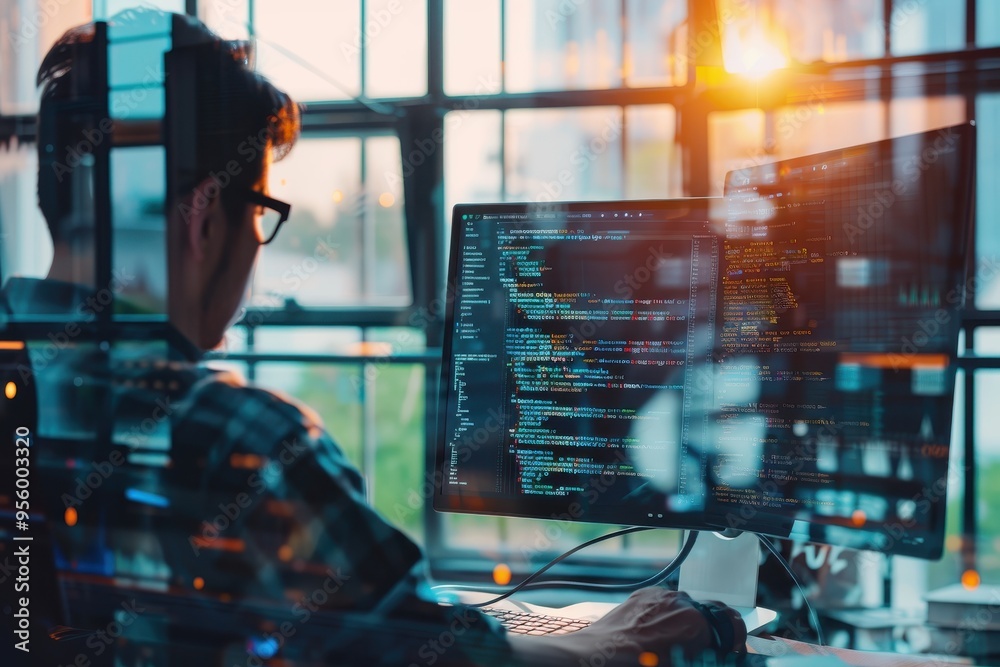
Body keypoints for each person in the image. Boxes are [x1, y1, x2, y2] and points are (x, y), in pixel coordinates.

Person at [1, 10, 747, 666]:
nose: (259, 243)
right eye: (262, 209)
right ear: (204, 213)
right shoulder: (241, 442)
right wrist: (630, 639)